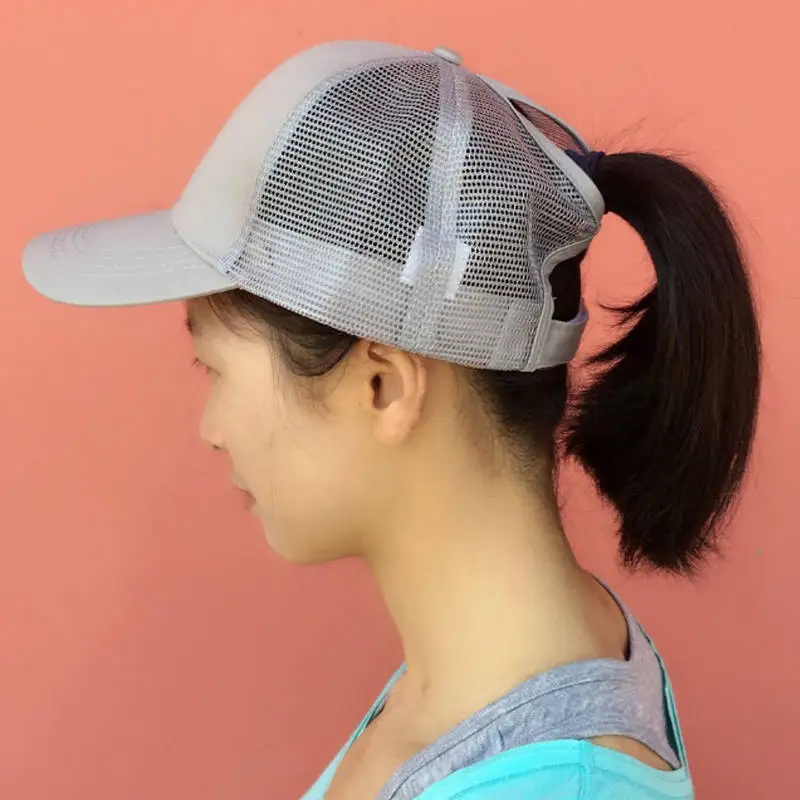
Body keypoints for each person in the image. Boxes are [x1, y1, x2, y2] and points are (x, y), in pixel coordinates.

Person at [22, 40, 760, 800]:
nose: (211, 429)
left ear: (383, 387)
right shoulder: (496, 665)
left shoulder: (551, 782)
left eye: (214, 368)